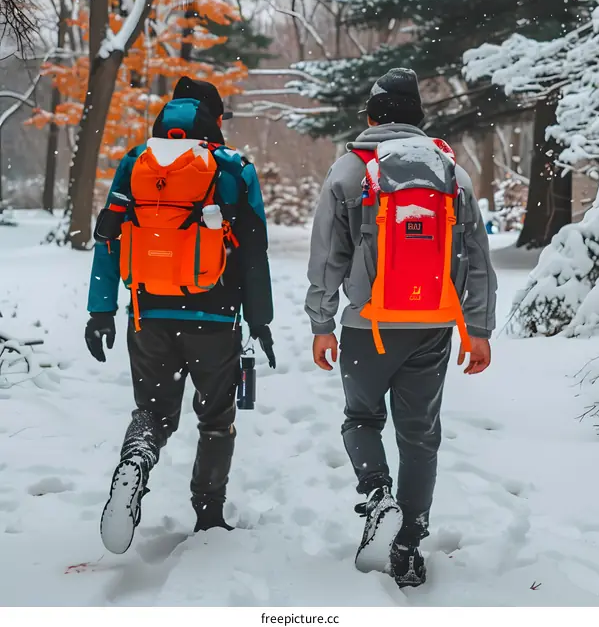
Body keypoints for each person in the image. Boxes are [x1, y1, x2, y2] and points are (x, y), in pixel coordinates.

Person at [305, 68, 497, 588]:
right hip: (432, 325)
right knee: (419, 438)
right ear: (417, 119)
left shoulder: (350, 169)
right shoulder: (449, 173)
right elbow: (476, 257)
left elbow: (328, 256)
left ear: (370, 117)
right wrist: (476, 328)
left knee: (361, 419)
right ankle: (408, 545)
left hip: (368, 326)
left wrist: (323, 323)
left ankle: (377, 494)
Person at [85, 77, 274, 555]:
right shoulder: (233, 168)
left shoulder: (136, 163)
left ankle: (136, 460)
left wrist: (101, 310)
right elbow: (254, 251)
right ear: (215, 119)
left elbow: (109, 236)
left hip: (150, 314)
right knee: (215, 420)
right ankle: (208, 513)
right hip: (215, 317)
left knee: (152, 412)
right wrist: (261, 319)